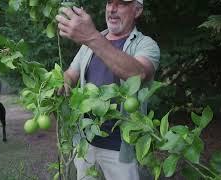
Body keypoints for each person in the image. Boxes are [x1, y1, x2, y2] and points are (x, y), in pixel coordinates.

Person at [56, 0, 160, 179]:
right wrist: (61, 84)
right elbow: (71, 74)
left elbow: (138, 74)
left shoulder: (146, 45)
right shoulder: (89, 44)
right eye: (109, 2)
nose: (112, 9)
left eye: (121, 3)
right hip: (86, 142)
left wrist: (91, 37)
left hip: (121, 149)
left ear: (137, 10)